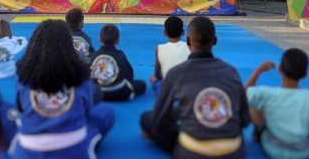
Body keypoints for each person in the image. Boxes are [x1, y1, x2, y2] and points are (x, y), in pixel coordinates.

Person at [2, 20, 115, 159]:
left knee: (7, 112)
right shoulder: (80, 74)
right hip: (74, 148)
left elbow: (20, 109)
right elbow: (87, 111)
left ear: (34, 44)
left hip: (28, 150)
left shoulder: (23, 74)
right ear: (69, 44)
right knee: (106, 112)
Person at [141, 16, 250, 158]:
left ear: (188, 41)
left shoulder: (176, 73)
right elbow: (244, 120)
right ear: (214, 41)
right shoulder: (231, 72)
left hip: (191, 152)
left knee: (146, 118)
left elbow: (158, 120)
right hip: (233, 152)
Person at [244, 49, 309, 159]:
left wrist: (258, 71)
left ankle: (258, 135)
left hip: (273, 148)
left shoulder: (267, 93)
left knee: (254, 103)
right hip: (301, 152)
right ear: (305, 75)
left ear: (280, 69)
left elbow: (243, 94)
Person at [89, 24, 146, 101]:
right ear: (118, 40)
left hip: (95, 92)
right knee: (142, 84)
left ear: (99, 39)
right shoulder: (120, 54)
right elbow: (130, 76)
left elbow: (87, 75)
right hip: (119, 92)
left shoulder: (93, 55)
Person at [150, 16, 190, 92]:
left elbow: (157, 74)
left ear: (164, 33)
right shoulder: (190, 46)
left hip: (167, 89)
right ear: (183, 32)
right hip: (186, 87)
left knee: (152, 78)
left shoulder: (159, 48)